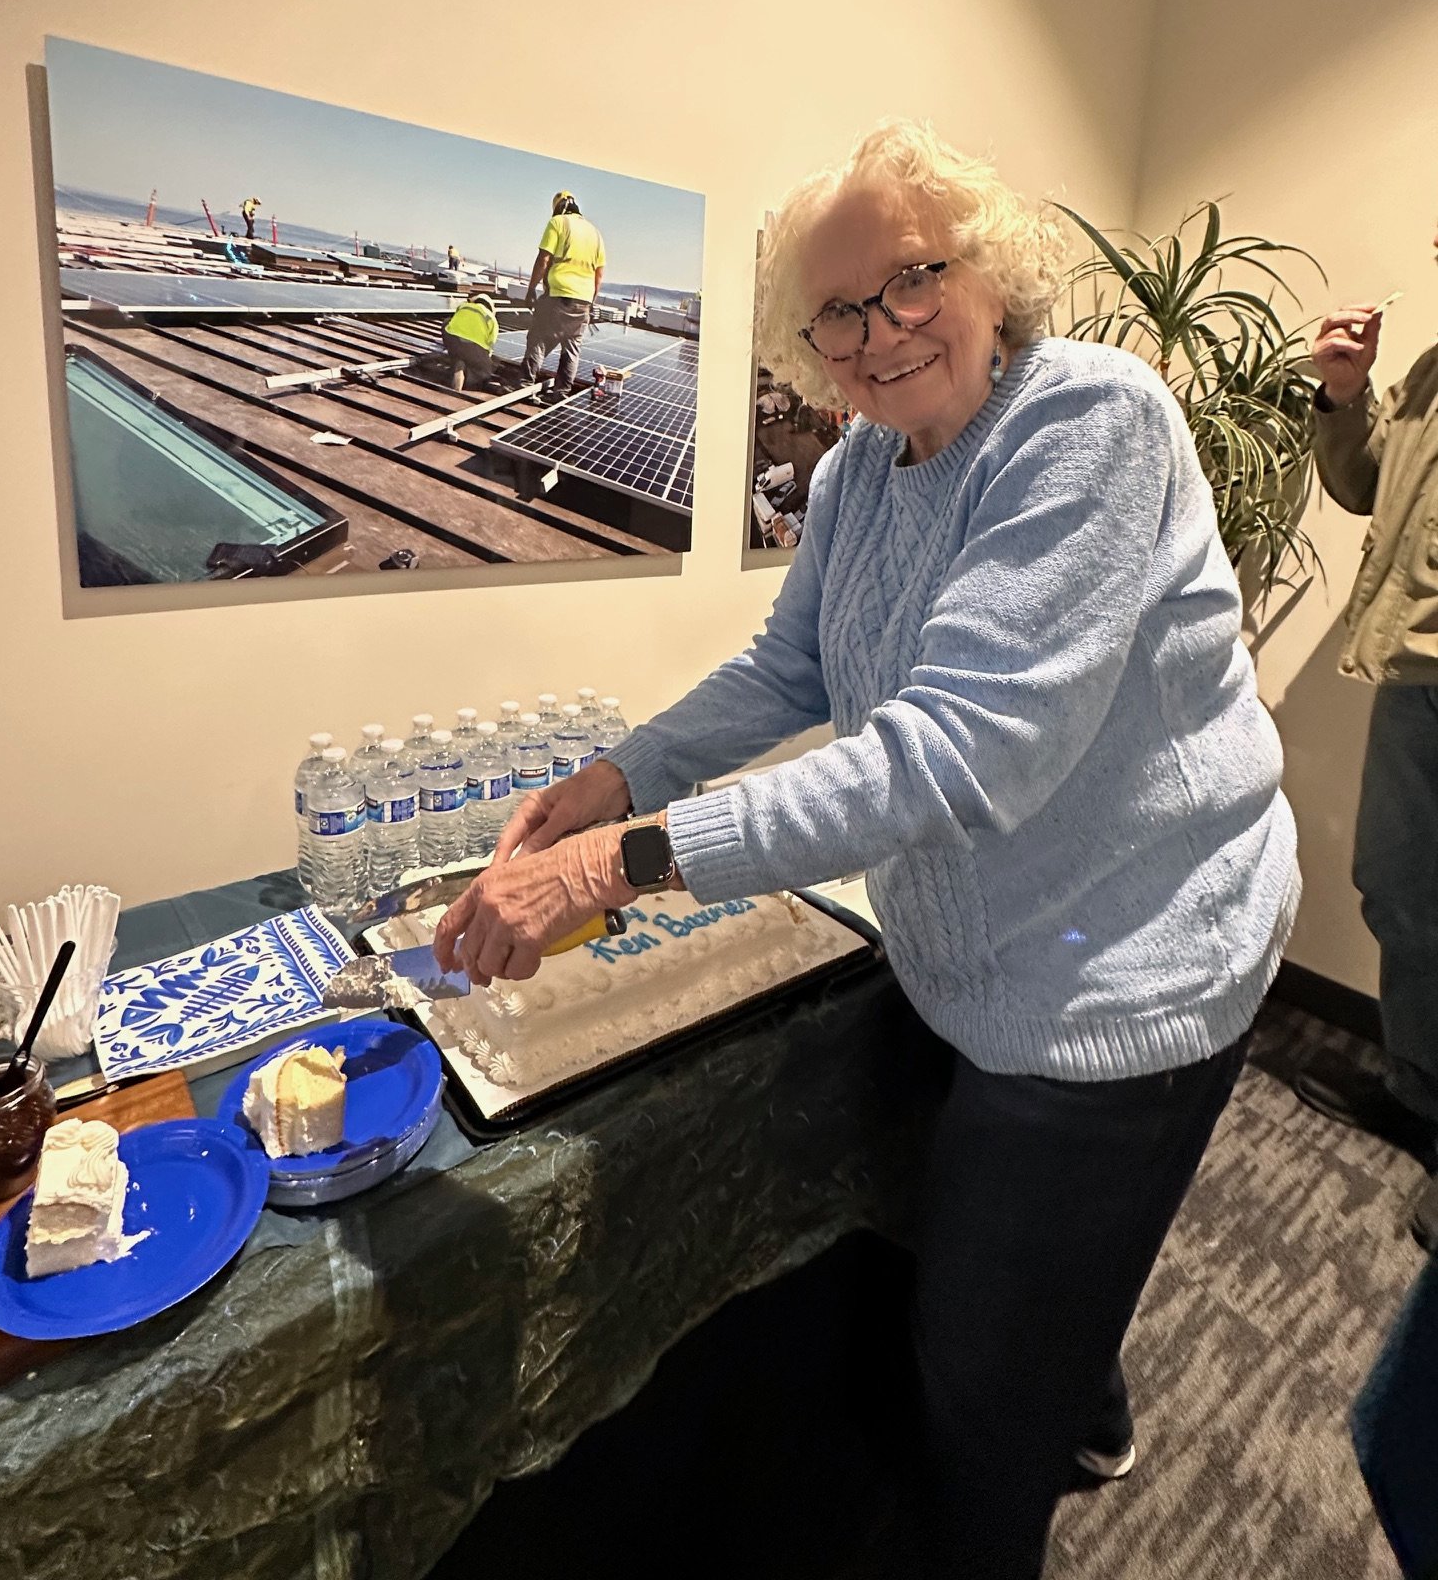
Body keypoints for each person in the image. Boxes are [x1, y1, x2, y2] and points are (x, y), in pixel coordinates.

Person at [432, 120, 1301, 1578]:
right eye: (839, 310)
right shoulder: (860, 475)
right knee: (992, 1272)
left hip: (1130, 969)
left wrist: (612, 867)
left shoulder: (1090, 419)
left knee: (982, 1387)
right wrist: (612, 775)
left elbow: (956, 751)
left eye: (911, 280)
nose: (880, 330)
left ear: (990, 270)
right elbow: (791, 675)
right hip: (980, 940)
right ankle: (1072, 1372)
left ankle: (1028, 1443)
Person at [1294, 227, 1438, 1254]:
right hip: (1413, 669)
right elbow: (1367, 487)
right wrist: (1347, 398)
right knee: (1398, 889)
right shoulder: (1434, 372)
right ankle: (1422, 1095)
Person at [520, 189, 605, 398]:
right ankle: (562, 392)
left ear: (558, 208)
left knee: (538, 337)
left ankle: (524, 384)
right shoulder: (595, 233)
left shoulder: (557, 223)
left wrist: (531, 289)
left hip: (558, 294)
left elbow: (544, 259)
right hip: (583, 300)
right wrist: (590, 301)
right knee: (572, 348)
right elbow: (599, 274)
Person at [441, 292, 500, 393]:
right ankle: (467, 374)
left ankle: (458, 361)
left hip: (453, 343)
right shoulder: (492, 319)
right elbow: (490, 346)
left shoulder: (463, 306)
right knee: (485, 371)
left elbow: (453, 322)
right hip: (474, 350)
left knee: (447, 322)